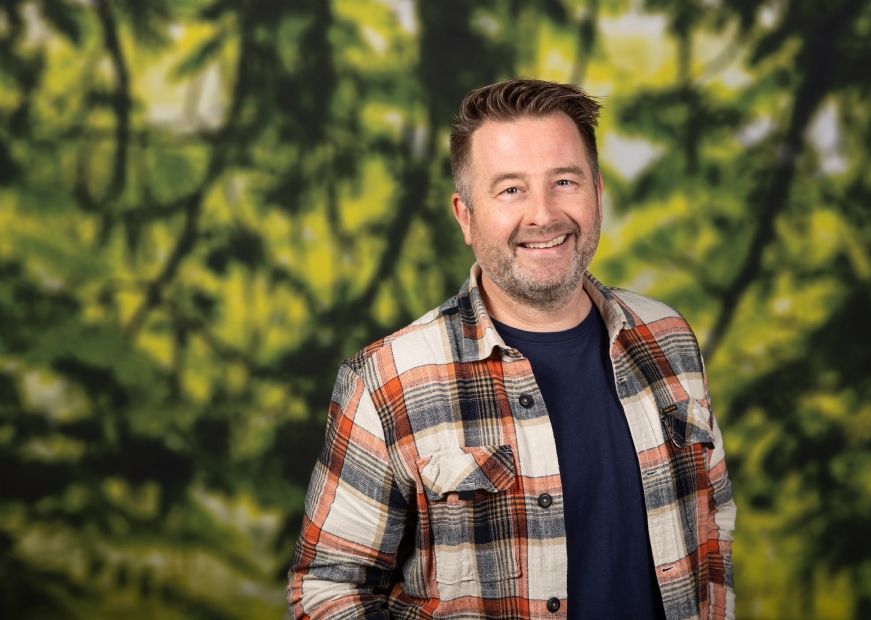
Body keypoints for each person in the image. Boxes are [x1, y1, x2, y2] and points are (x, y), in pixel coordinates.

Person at [287, 79, 735, 619]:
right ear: (465, 216)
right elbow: (329, 588)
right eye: (510, 190)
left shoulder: (669, 337)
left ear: (597, 192)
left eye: (564, 181)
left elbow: (714, 526)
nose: (543, 214)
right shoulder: (387, 380)